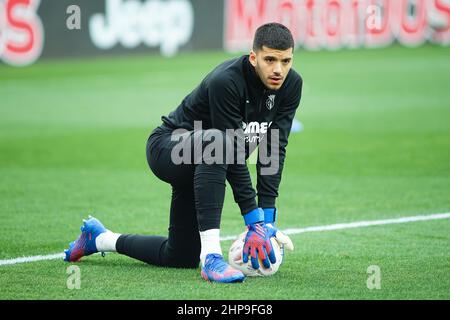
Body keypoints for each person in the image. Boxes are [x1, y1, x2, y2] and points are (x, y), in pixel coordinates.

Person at [64, 22, 302, 284]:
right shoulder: (227, 81)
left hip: (206, 163)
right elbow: (232, 151)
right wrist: (253, 221)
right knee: (219, 141)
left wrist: (268, 219)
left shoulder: (291, 85)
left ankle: (99, 238)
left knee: (180, 255)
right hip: (168, 148)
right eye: (270, 59)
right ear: (253, 57)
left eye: (286, 60)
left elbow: (272, 148)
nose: (279, 69)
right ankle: (211, 258)